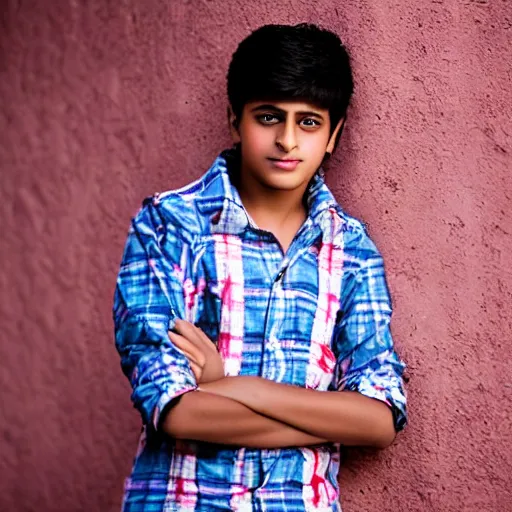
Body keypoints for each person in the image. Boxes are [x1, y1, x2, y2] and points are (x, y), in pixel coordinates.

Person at [113, 23, 407, 512]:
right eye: (268, 117)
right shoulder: (169, 226)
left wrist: (230, 386)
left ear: (333, 133)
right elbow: (177, 411)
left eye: (309, 122)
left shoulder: (351, 250)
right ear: (235, 120)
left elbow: (379, 422)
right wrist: (331, 417)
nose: (287, 140)